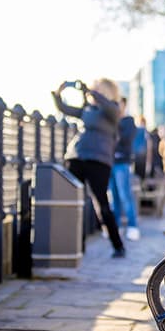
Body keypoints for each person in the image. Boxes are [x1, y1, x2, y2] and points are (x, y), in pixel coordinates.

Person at [51, 78, 126, 258]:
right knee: (70, 201)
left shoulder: (113, 110)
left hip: (99, 161)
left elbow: (110, 108)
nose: (91, 92)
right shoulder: (87, 109)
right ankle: (74, 245)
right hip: (76, 156)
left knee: (101, 203)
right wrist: (58, 92)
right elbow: (64, 109)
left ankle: (118, 246)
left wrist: (92, 93)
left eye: (96, 90)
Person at [108, 97, 140, 241]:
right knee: (113, 196)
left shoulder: (129, 121)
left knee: (125, 195)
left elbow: (124, 139)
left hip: (122, 163)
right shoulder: (110, 121)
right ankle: (116, 227)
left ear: (124, 105)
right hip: (109, 162)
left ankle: (133, 226)